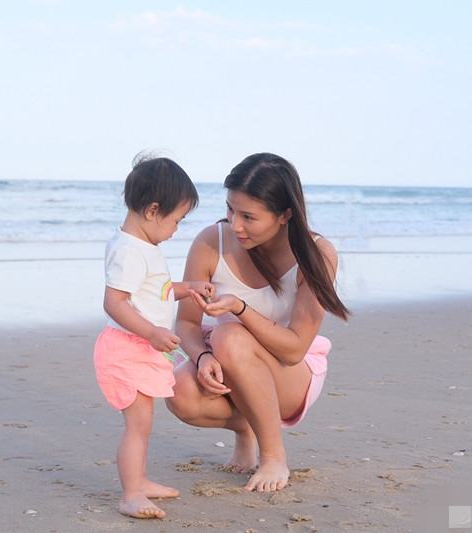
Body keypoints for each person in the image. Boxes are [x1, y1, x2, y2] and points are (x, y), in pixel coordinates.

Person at [165, 153, 350, 493]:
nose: (235, 225)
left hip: (290, 374)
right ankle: (246, 428)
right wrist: (202, 358)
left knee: (229, 336)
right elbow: (187, 323)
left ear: (285, 215)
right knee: (180, 391)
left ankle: (274, 456)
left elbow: (294, 349)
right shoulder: (210, 242)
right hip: (226, 358)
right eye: (230, 209)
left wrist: (240, 308)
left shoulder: (316, 255)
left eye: (248, 217)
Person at [93, 154, 215, 519]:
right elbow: (114, 303)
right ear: (153, 210)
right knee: (138, 424)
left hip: (142, 347)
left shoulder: (144, 247)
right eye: (176, 220)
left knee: (143, 422)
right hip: (128, 348)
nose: (176, 230)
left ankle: (140, 481)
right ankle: (131, 494)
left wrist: (187, 287)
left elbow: (155, 292)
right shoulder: (129, 251)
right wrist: (152, 331)